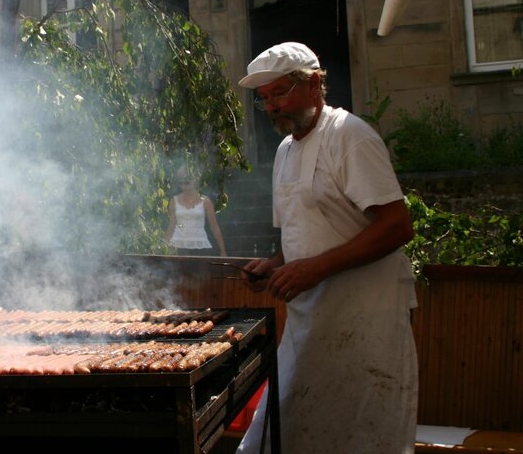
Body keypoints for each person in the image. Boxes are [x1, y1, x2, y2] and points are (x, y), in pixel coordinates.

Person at [235, 42, 418, 453]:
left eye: (279, 93)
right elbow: (303, 234)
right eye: (263, 99)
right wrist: (274, 265)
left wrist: (315, 269)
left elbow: (396, 226)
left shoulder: (350, 135)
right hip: (310, 321)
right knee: (286, 435)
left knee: (362, 437)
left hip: (366, 319)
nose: (271, 108)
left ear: (315, 84)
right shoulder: (284, 151)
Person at [165, 165, 227, 257]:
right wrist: (165, 248)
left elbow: (214, 227)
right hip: (178, 246)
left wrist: (223, 251)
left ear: (195, 180)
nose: (183, 186)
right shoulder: (174, 201)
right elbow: (171, 226)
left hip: (200, 246)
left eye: (187, 183)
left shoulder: (206, 201)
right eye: (181, 183)